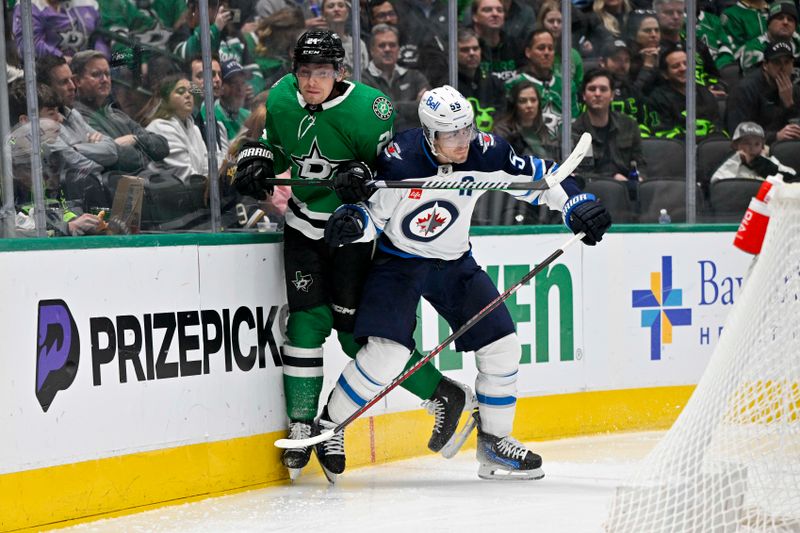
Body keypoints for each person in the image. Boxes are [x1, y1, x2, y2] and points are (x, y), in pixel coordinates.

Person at [316, 85, 611, 480]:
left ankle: (494, 446)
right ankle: (328, 427)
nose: (462, 141)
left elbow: (543, 180)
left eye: (466, 129)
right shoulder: (400, 162)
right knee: (387, 353)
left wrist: (576, 205)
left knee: (503, 347)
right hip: (400, 262)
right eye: (450, 134)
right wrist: (354, 223)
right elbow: (373, 217)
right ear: (428, 134)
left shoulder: (485, 151)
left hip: (454, 262)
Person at [231, 30, 467, 482]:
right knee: (304, 323)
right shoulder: (282, 96)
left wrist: (364, 180)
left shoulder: (370, 108)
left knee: (355, 338)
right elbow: (277, 147)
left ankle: (441, 392)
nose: (311, 81)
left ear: (340, 72)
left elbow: (391, 171)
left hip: (352, 234)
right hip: (302, 227)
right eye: (304, 72)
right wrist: (256, 161)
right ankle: (304, 424)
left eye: (322, 73)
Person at [71, 50, 170, 175]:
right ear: (77, 81)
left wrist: (135, 139)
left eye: (107, 74)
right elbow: (127, 161)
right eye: (96, 74)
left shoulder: (116, 113)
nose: (105, 79)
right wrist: (148, 154)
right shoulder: (77, 118)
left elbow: (163, 146)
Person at [572, 68, 647, 185]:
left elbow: (640, 164)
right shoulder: (574, 131)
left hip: (629, 190)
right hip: (592, 192)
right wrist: (613, 178)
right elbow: (581, 174)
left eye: (603, 89)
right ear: (584, 95)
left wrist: (639, 177)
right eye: (592, 89)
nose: (597, 94)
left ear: (612, 95)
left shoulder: (629, 125)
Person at [507, 29, 580, 137]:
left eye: (550, 48)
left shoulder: (567, 85)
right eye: (541, 48)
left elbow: (575, 122)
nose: (546, 53)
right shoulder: (514, 84)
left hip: (564, 148)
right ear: (528, 52)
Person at [725, 41, 800, 145]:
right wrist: (776, 136)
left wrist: (789, 105)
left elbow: (796, 128)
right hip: (753, 149)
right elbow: (738, 132)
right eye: (777, 62)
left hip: (785, 148)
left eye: (787, 62)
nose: (783, 68)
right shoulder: (744, 90)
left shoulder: (794, 90)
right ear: (765, 65)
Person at [361, 24, 430, 132]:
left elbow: (429, 108)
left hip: (413, 141)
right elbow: (371, 114)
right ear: (372, 50)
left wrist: (387, 107)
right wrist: (414, 106)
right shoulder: (362, 80)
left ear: (398, 49)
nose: (388, 49)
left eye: (392, 45)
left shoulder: (415, 76)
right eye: (382, 45)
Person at [647, 44, 723, 139]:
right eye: (676, 66)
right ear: (665, 74)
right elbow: (662, 134)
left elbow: (717, 127)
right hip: (678, 151)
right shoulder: (657, 99)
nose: (683, 68)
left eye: (686, 64)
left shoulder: (705, 93)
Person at [144, 74, 211, 183]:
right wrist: (210, 186)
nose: (188, 95)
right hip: (168, 196)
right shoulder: (160, 127)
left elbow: (206, 168)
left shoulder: (195, 129)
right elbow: (185, 176)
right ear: (165, 99)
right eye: (180, 91)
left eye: (190, 91)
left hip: (195, 192)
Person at [456, 28, 507, 133]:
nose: (472, 53)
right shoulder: (450, 83)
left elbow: (503, 116)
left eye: (475, 48)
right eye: (465, 50)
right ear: (453, 53)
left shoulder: (494, 82)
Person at [710, 121, 796, 183]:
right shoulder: (730, 162)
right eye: (746, 143)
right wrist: (736, 159)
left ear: (762, 146)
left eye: (757, 144)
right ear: (735, 145)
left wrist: (760, 164)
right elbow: (717, 182)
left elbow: (792, 176)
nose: (752, 148)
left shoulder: (768, 161)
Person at [493, 80, 559, 160]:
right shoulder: (502, 131)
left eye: (533, 100)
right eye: (523, 101)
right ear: (514, 104)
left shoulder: (543, 130)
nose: (529, 105)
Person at [739, 0, 800, 73]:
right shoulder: (754, 48)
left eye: (790, 19)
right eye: (780, 18)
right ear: (769, 24)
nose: (785, 22)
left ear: (795, 27)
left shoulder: (797, 40)